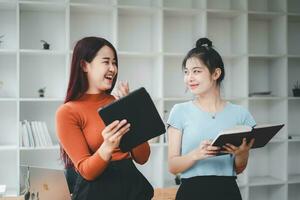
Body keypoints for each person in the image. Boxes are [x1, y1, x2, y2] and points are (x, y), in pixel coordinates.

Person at [56, 37, 153, 200]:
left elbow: (143, 158)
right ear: (84, 65)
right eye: (106, 62)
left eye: (114, 62)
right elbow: (86, 171)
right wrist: (107, 146)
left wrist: (130, 110)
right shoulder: (67, 112)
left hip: (132, 189)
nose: (113, 68)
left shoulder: (118, 103)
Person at [167, 38, 256, 200]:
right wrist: (196, 154)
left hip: (228, 192)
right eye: (186, 72)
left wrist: (242, 155)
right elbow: (173, 166)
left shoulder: (240, 114)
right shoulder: (179, 111)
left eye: (196, 71)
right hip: (191, 193)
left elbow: (239, 168)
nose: (189, 78)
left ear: (216, 73)